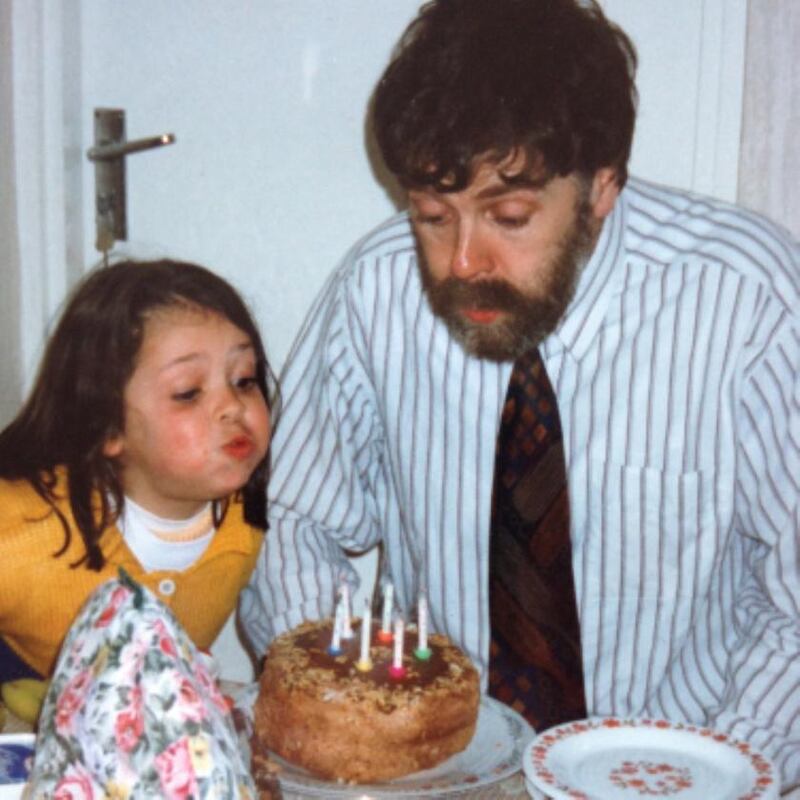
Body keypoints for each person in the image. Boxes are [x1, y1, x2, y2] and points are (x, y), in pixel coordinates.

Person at [241, 0, 800, 785]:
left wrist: (721, 771)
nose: (463, 261)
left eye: (507, 216)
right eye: (433, 216)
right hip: (444, 772)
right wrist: (344, 724)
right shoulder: (376, 292)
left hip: (680, 762)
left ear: (603, 185)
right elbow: (299, 522)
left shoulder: (749, 300)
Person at [0, 258, 275, 683]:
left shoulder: (250, 521)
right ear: (107, 425)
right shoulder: (21, 530)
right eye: (188, 393)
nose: (234, 407)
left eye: (243, 380)